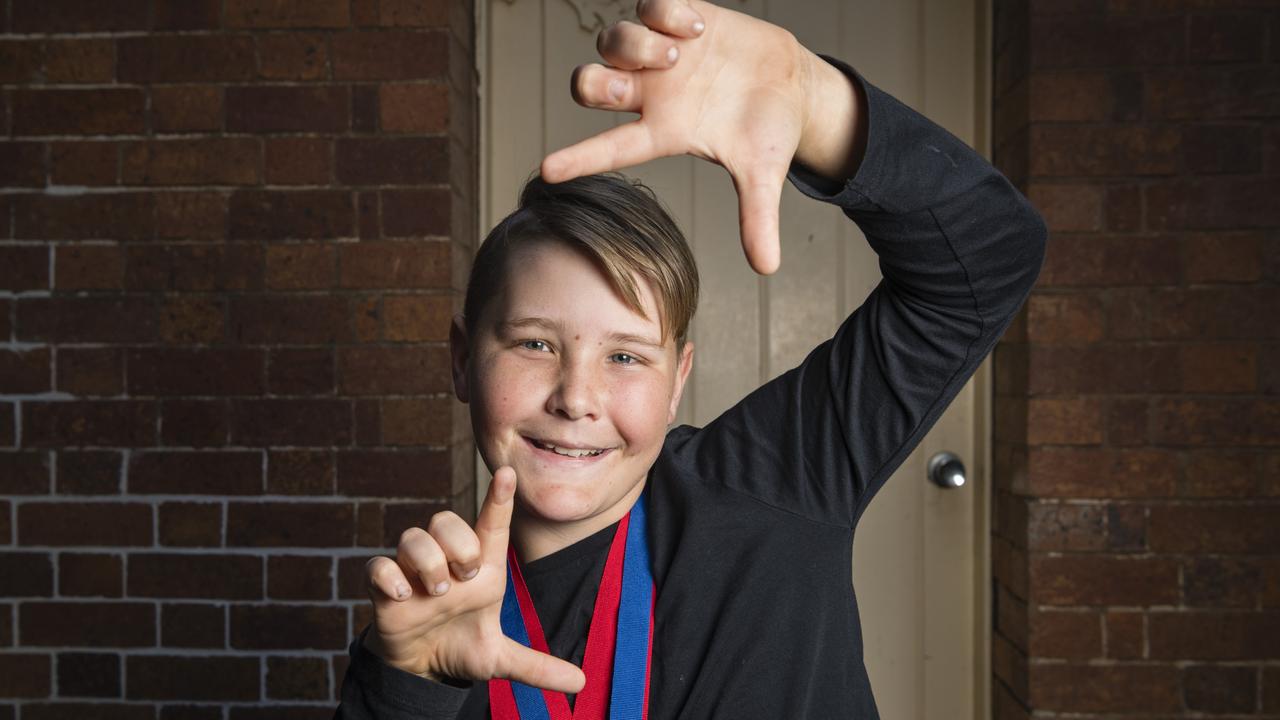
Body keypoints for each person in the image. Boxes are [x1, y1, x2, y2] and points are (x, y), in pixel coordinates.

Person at [334, 0, 1046, 717]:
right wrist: (409, 684)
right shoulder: (430, 617)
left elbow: (988, 255)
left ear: (678, 382)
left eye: (626, 358)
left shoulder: (777, 479)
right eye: (536, 344)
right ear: (463, 360)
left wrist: (812, 96)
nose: (576, 397)